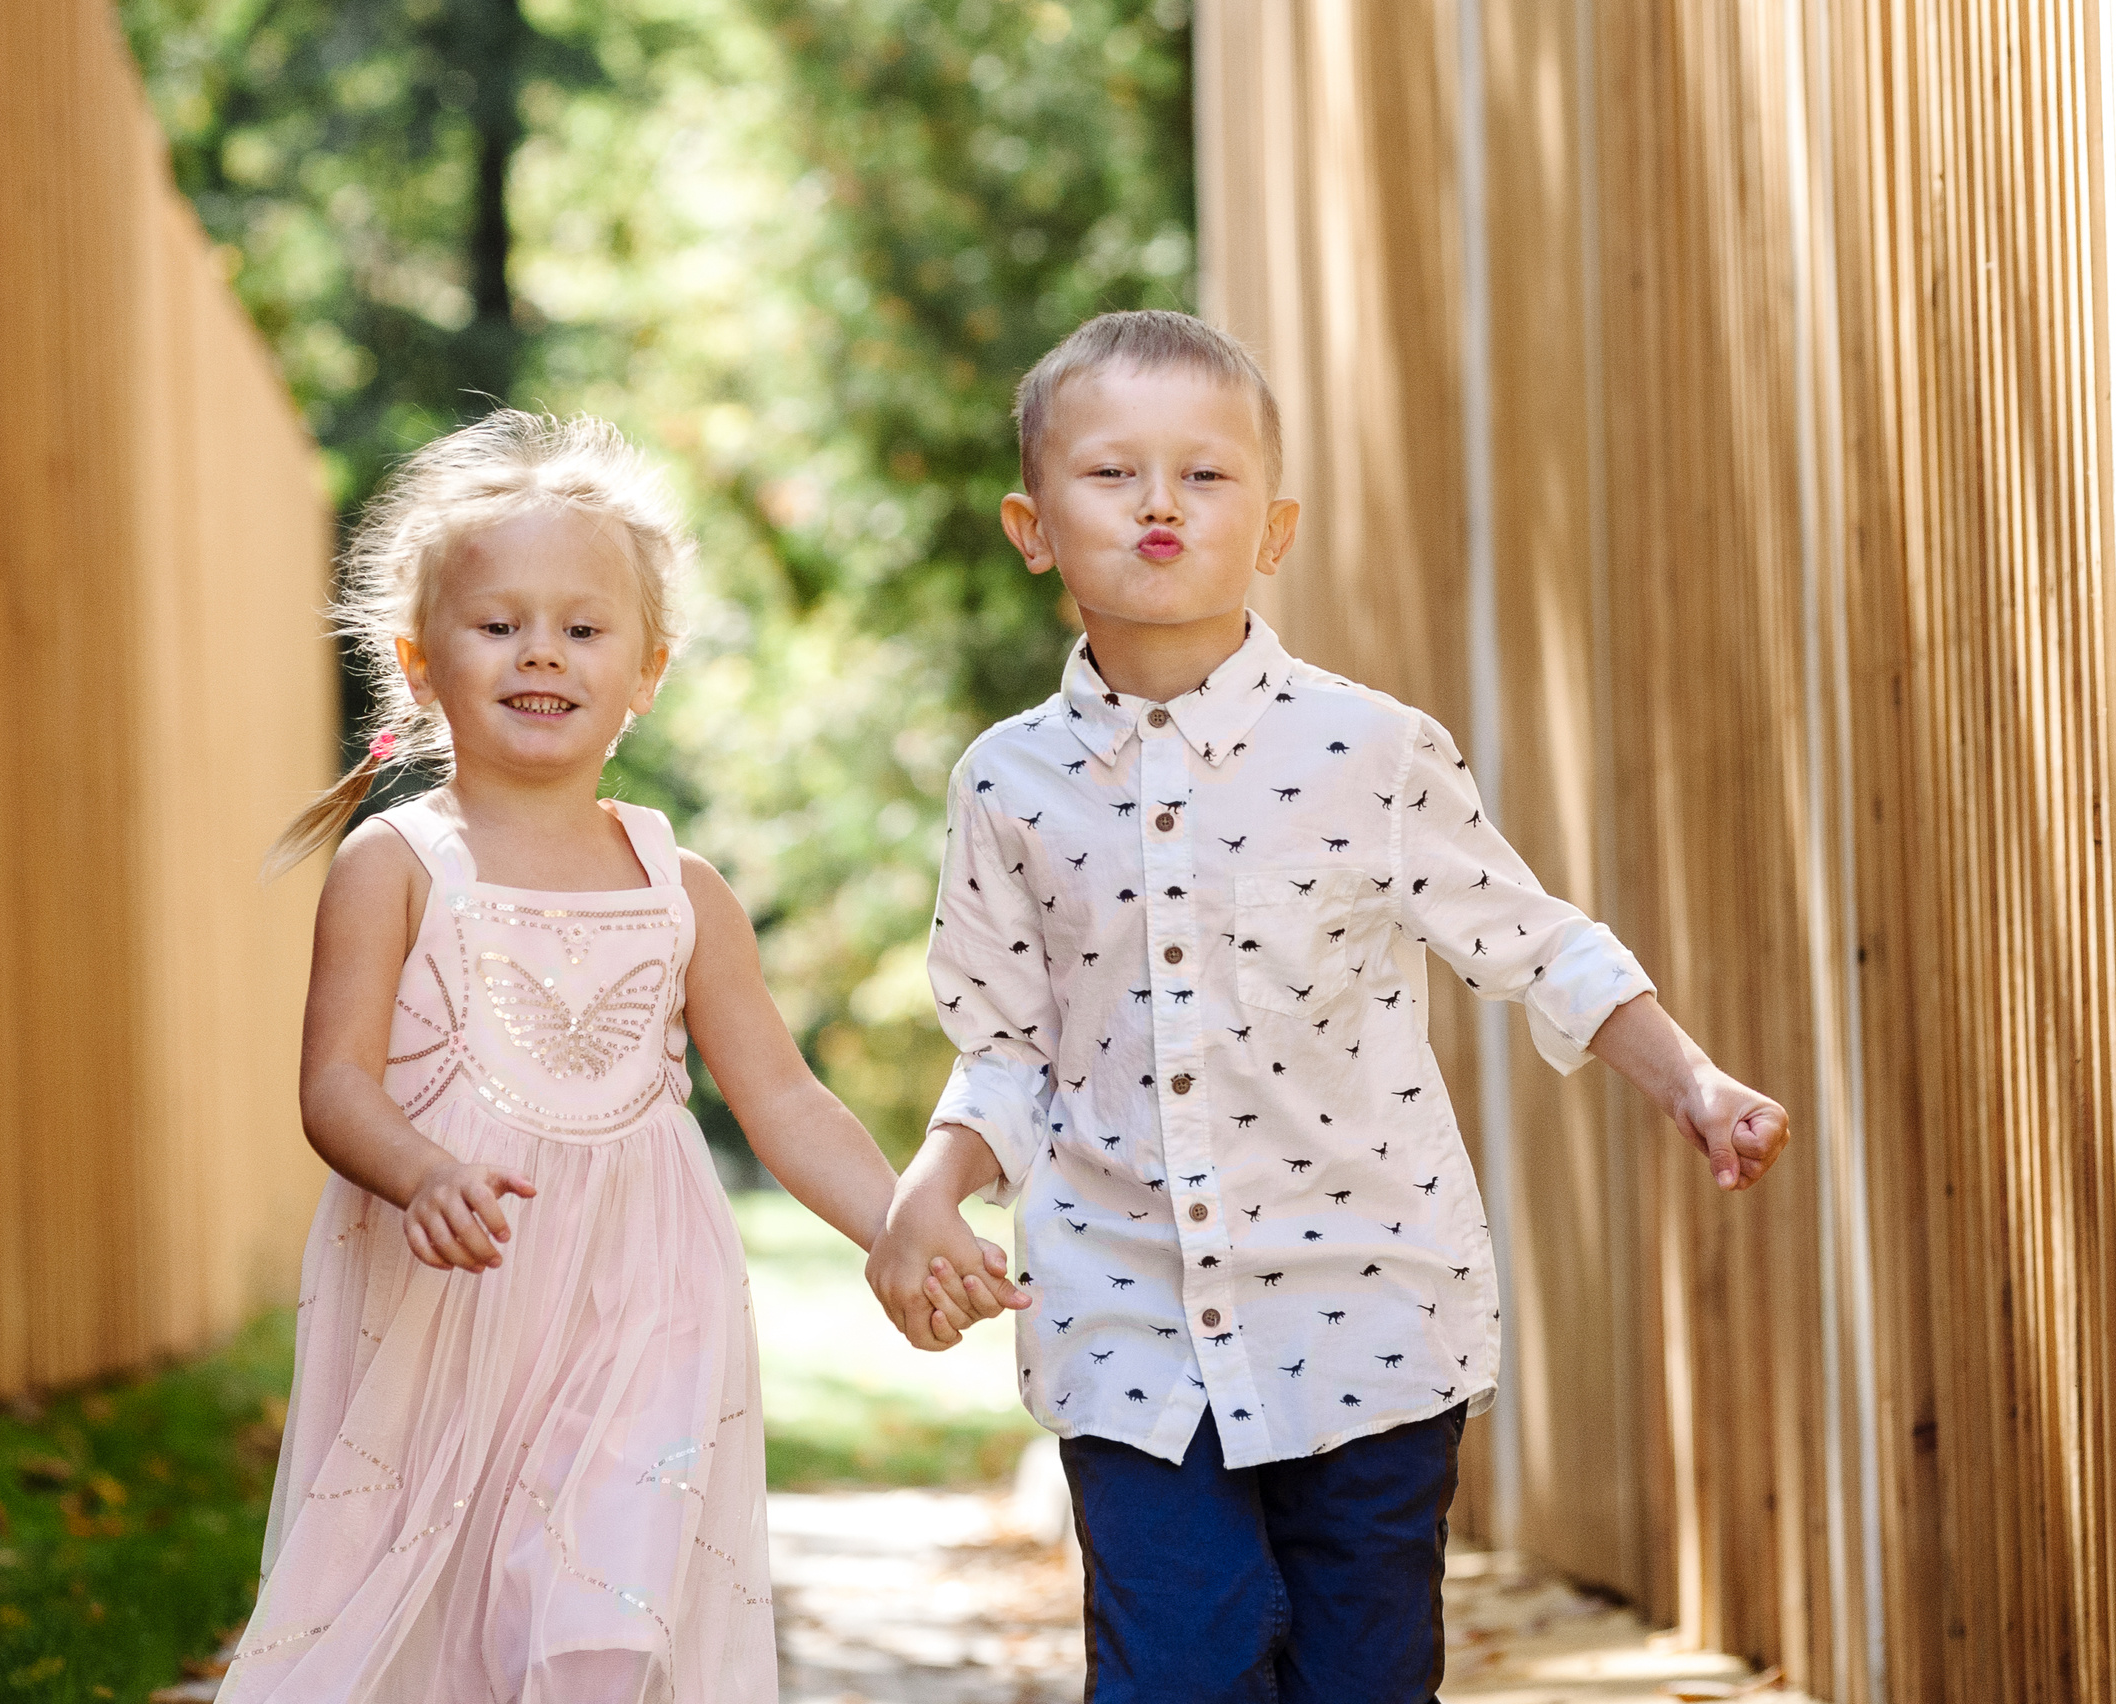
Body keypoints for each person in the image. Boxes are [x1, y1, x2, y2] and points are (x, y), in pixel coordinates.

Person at [864, 310, 1790, 1704]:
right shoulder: (1007, 786)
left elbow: (1536, 943)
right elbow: (1001, 1044)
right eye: (1113, 474)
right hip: (1128, 1322)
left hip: (1371, 1313)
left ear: (1276, 531)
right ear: (1032, 526)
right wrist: (931, 1189)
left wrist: (1691, 1081)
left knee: (1362, 1676)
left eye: (1207, 475)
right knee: (1179, 1667)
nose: (1162, 502)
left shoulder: (1372, 752)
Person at [224, 411, 911, 1704]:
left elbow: (781, 1094)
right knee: (446, 1619)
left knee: (598, 1618)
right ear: (419, 661)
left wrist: (896, 1223)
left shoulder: (680, 887)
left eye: (584, 628)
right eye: (499, 626)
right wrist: (420, 1174)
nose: (542, 650)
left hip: (647, 1306)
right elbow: (333, 1086)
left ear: (647, 669)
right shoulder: (397, 867)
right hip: (455, 1307)